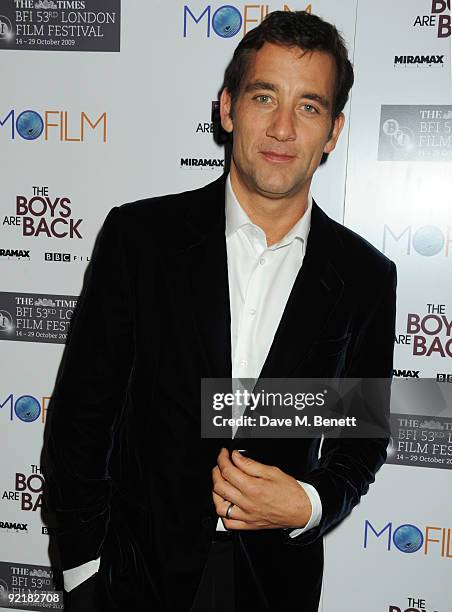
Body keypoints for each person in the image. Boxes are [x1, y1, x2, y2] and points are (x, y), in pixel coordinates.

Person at [42, 9, 397, 612]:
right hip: (134, 583)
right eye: (265, 97)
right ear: (227, 108)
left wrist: (307, 505)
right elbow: (80, 422)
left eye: (309, 106)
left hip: (275, 585)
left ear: (334, 131)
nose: (283, 128)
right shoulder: (140, 240)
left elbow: (359, 441)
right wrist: (82, 574)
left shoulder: (365, 277)